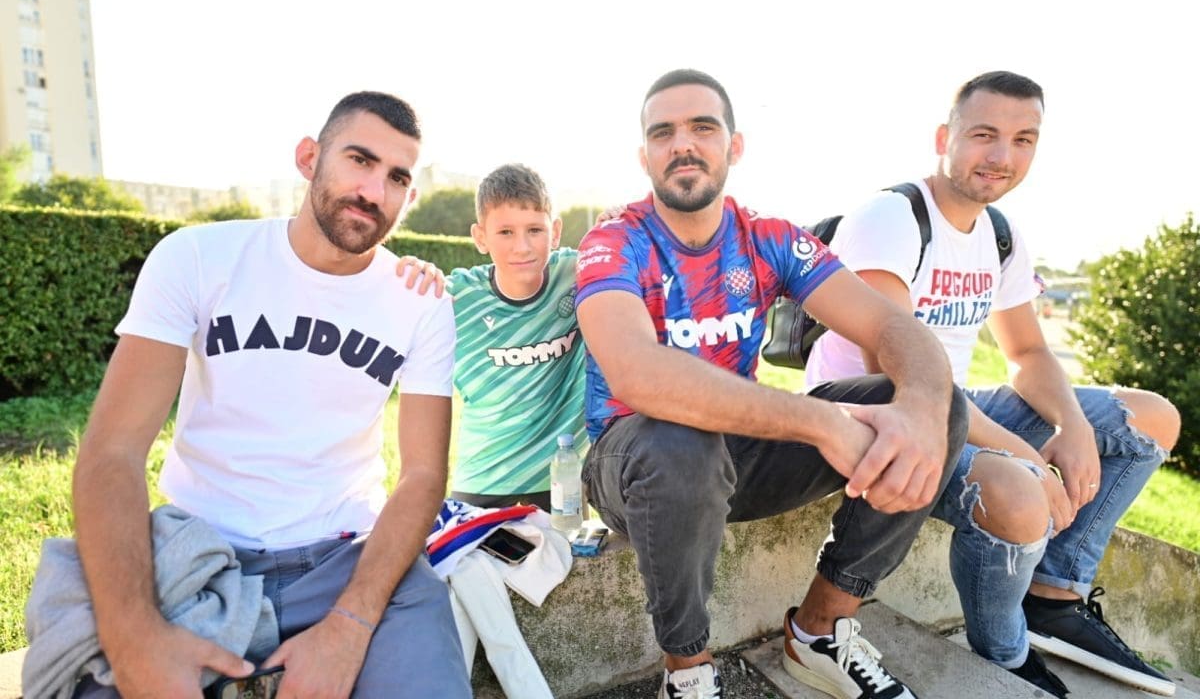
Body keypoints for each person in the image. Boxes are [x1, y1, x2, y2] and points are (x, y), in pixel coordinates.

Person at [575, 68, 969, 699]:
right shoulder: (614, 240)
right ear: (644, 155)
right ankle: (687, 670)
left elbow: (892, 325)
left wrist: (921, 406)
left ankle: (819, 631)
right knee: (680, 442)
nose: (683, 144)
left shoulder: (768, 238)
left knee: (939, 406)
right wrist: (821, 422)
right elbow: (637, 374)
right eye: (663, 132)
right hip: (633, 462)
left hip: (738, 454)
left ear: (733, 146)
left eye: (703, 128)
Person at [67, 91, 471, 697]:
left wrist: (352, 622)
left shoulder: (420, 303)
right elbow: (112, 451)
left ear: (409, 198)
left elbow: (422, 475)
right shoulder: (198, 257)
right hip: (201, 558)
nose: (373, 190)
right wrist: (135, 638)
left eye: (396, 177)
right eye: (359, 160)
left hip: (349, 560)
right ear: (309, 157)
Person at [805, 71, 1180, 697]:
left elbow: (1026, 351)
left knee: (1151, 420)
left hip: (957, 404)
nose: (1003, 156)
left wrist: (1071, 425)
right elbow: (901, 378)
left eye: (1023, 139)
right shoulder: (892, 218)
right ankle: (1005, 654)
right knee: (1020, 493)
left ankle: (1054, 598)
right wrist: (1026, 454)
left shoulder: (1000, 234)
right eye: (984, 134)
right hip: (877, 414)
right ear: (943, 139)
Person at [446, 163, 587, 510]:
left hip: (561, 479)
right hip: (483, 480)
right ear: (481, 237)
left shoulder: (579, 273)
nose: (522, 247)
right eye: (505, 232)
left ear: (555, 232)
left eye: (535, 230)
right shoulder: (455, 297)